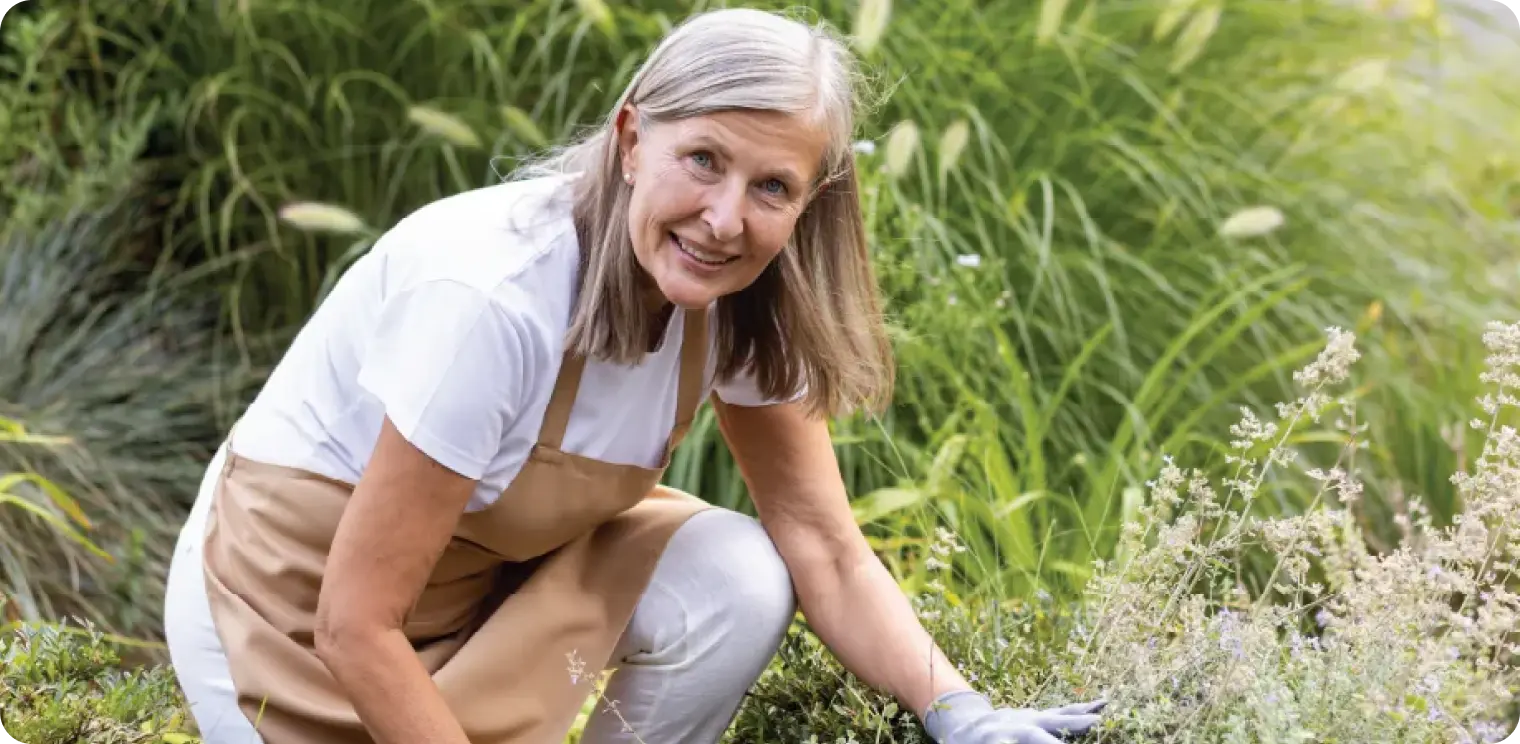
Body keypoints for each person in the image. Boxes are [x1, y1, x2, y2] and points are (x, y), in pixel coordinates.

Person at [162, 7, 1105, 744]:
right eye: (703, 160)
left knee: (739, 572)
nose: (725, 219)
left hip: (481, 597)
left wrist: (958, 710)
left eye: (771, 187)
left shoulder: (746, 298)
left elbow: (824, 543)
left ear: (809, 202)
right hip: (290, 616)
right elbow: (353, 624)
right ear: (629, 140)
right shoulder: (492, 294)